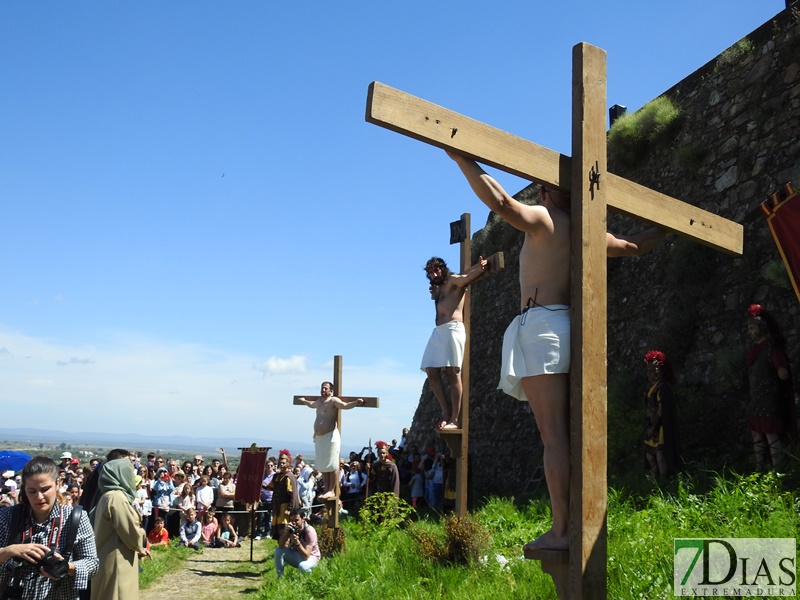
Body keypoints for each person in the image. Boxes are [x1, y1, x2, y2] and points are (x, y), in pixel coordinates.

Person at [447, 151, 667, 552]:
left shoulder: (547, 220)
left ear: (548, 191)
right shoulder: (587, 231)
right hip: (570, 328)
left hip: (543, 328)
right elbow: (635, 245)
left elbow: (501, 203)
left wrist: (460, 157)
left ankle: (563, 530)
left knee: (554, 438)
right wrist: (672, 227)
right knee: (570, 433)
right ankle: (577, 523)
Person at [0, 456, 98, 599]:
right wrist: (10, 551)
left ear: (58, 483)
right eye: (32, 491)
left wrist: (65, 567)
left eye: (45, 489)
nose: (39, 497)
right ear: (24, 489)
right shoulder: (8, 517)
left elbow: (92, 564)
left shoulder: (75, 518)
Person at [422, 255, 489, 430]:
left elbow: (465, 279)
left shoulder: (453, 280)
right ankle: (445, 412)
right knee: (431, 370)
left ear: (442, 268)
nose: (433, 274)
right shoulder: (438, 288)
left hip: (453, 329)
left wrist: (480, 268)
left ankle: (454, 418)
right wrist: (435, 293)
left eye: (436, 270)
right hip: (439, 331)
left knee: (453, 372)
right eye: (430, 272)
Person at [745, 304, 797, 470]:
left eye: (752, 328)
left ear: (761, 328)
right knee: (757, 434)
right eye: (749, 328)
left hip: (769, 398)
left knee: (770, 434)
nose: (749, 331)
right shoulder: (755, 350)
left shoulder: (771, 348)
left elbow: (783, 373)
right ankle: (759, 469)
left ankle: (778, 469)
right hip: (756, 399)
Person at [91, 458, 149, 600]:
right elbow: (129, 532)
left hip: (107, 557)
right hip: (117, 560)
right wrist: (141, 541)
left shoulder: (106, 496)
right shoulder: (116, 497)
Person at [297, 382, 364, 500]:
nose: (323, 390)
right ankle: (326, 488)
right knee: (323, 465)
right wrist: (303, 401)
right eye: (322, 388)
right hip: (319, 438)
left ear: (331, 390)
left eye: (325, 388)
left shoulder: (333, 401)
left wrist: (356, 402)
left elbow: (345, 405)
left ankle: (331, 490)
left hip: (331, 437)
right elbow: (311, 404)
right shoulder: (319, 402)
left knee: (332, 464)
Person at [643, 350, 680, 477]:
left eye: (654, 369)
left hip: (661, 426)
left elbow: (661, 409)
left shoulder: (663, 388)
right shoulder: (650, 388)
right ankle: (654, 484)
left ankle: (664, 485)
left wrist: (654, 427)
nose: (651, 373)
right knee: (649, 455)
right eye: (649, 369)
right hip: (652, 425)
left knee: (660, 456)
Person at [273, 508, 320, 578]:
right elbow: (281, 546)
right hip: (297, 554)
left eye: (296, 520)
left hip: (311, 557)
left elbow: (306, 556)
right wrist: (286, 533)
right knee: (278, 551)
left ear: (303, 519)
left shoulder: (309, 531)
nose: (294, 523)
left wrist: (297, 543)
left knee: (303, 566)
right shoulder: (291, 527)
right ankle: (280, 577)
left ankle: (308, 580)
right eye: (291, 520)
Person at [269, 451, 300, 540]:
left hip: (285, 507)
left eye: (283, 463)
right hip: (277, 506)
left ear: (287, 463)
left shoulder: (289, 477)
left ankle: (286, 547)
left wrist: (289, 508)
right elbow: (271, 487)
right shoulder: (277, 476)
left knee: (285, 529)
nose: (281, 465)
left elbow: (292, 494)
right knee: (278, 530)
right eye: (280, 463)